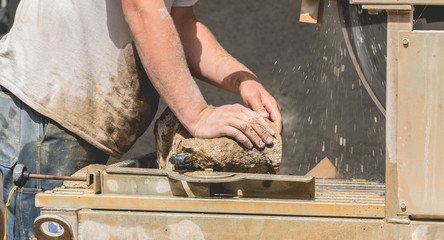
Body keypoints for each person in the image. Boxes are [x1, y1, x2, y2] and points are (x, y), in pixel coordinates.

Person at [0, 0, 282, 238]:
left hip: (76, 119)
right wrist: (198, 115)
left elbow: (180, 21)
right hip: (46, 109)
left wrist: (242, 80)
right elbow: (142, 9)